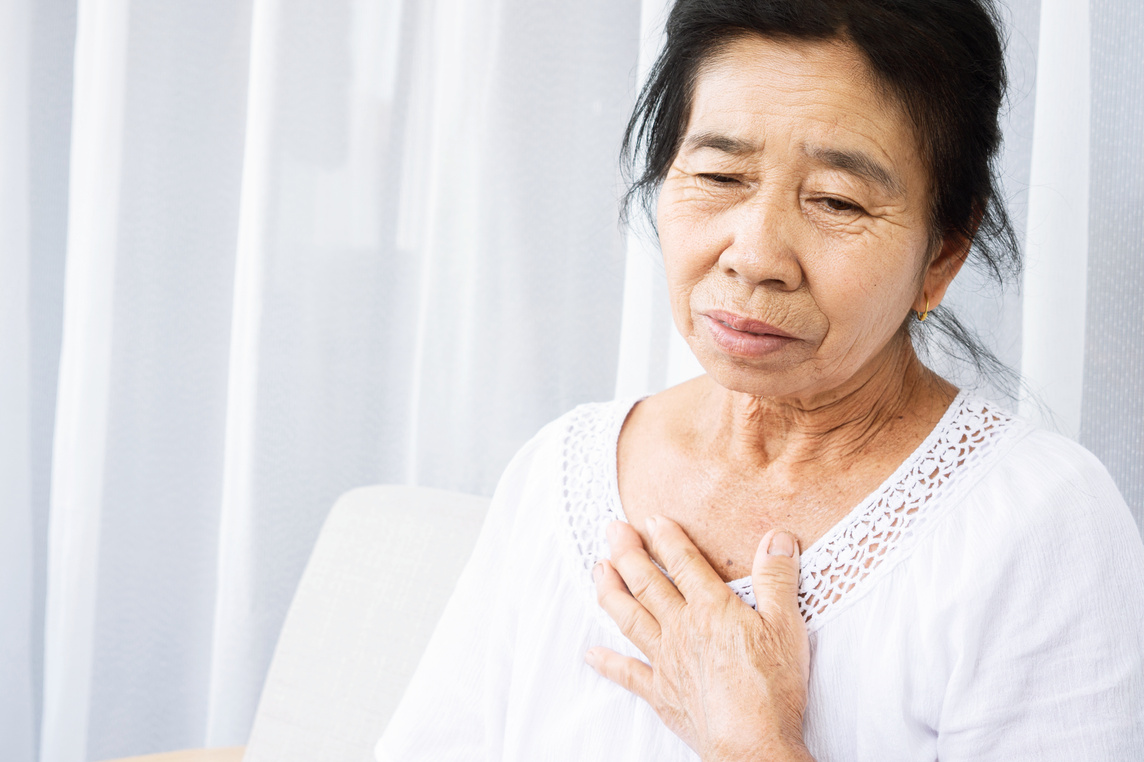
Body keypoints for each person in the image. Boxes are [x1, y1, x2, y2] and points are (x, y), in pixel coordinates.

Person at [376, 0, 1144, 759]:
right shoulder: (556, 472)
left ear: (942, 254)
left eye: (837, 200)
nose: (755, 254)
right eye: (719, 174)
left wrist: (754, 744)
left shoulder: (1038, 523)